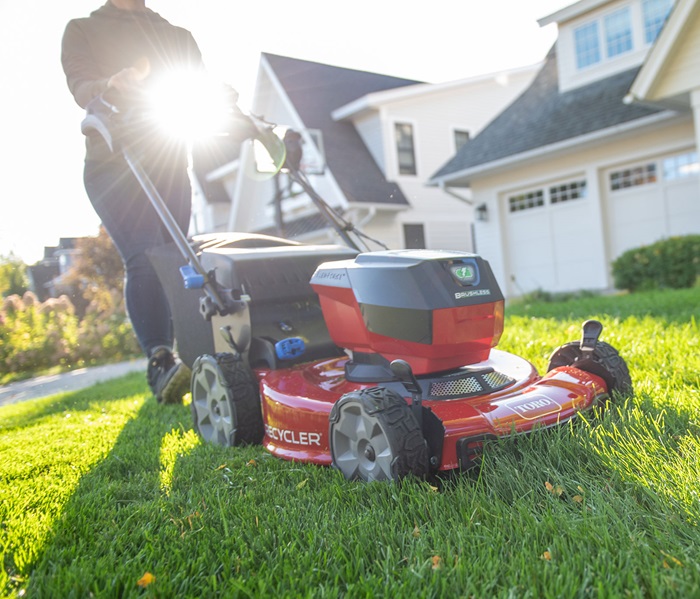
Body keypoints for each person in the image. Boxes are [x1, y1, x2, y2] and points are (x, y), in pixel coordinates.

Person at [61, 0, 203, 403]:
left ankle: (195, 354)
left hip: (169, 161)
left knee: (178, 257)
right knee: (144, 255)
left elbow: (200, 93)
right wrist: (109, 84)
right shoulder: (82, 29)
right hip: (112, 162)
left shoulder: (177, 37)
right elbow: (81, 86)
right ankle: (160, 360)